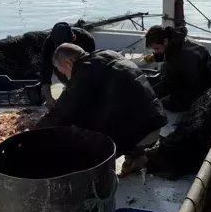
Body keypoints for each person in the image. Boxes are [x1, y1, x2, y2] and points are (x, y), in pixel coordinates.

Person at [36, 43, 167, 174]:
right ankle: (136, 156)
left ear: (69, 62)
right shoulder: (108, 54)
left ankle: (108, 167)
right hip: (155, 121)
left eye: (62, 71)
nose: (64, 75)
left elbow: (61, 112)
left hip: (141, 131)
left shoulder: (85, 72)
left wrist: (35, 132)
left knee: (81, 139)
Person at [144, 24, 211, 112]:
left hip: (202, 87)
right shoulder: (176, 40)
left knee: (164, 104)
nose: (156, 52)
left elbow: (193, 84)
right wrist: (155, 57)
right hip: (190, 77)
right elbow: (169, 52)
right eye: (154, 50)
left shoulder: (186, 55)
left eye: (157, 48)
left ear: (165, 41)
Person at [40, 21, 96, 108]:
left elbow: (90, 67)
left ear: (74, 38)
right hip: (63, 65)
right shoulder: (49, 43)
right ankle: (68, 85)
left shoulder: (86, 39)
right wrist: (49, 98)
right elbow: (45, 72)